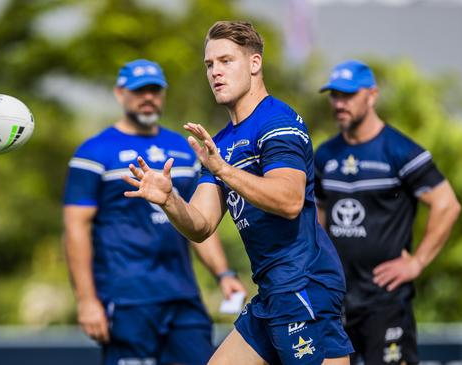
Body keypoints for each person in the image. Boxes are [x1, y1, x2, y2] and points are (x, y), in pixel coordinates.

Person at [122, 22, 353, 365]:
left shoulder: (277, 123)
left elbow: (289, 202)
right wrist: (170, 199)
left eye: (226, 61)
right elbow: (201, 225)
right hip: (272, 293)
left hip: (303, 287)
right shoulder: (222, 143)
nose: (215, 72)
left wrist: (225, 171)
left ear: (254, 63)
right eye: (209, 64)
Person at [63, 58, 246, 365]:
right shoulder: (94, 152)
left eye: (155, 90)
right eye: (139, 91)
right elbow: (75, 229)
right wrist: (86, 301)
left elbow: (198, 220)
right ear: (120, 94)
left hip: (182, 298)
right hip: (126, 300)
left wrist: (223, 273)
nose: (148, 98)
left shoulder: (183, 149)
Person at [314, 60, 462, 365]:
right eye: (334, 96)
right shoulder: (325, 155)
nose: (339, 103)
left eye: (348, 95)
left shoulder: (400, 151)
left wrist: (417, 262)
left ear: (372, 95)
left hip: (385, 303)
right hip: (335, 301)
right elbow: (317, 214)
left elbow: (447, 204)